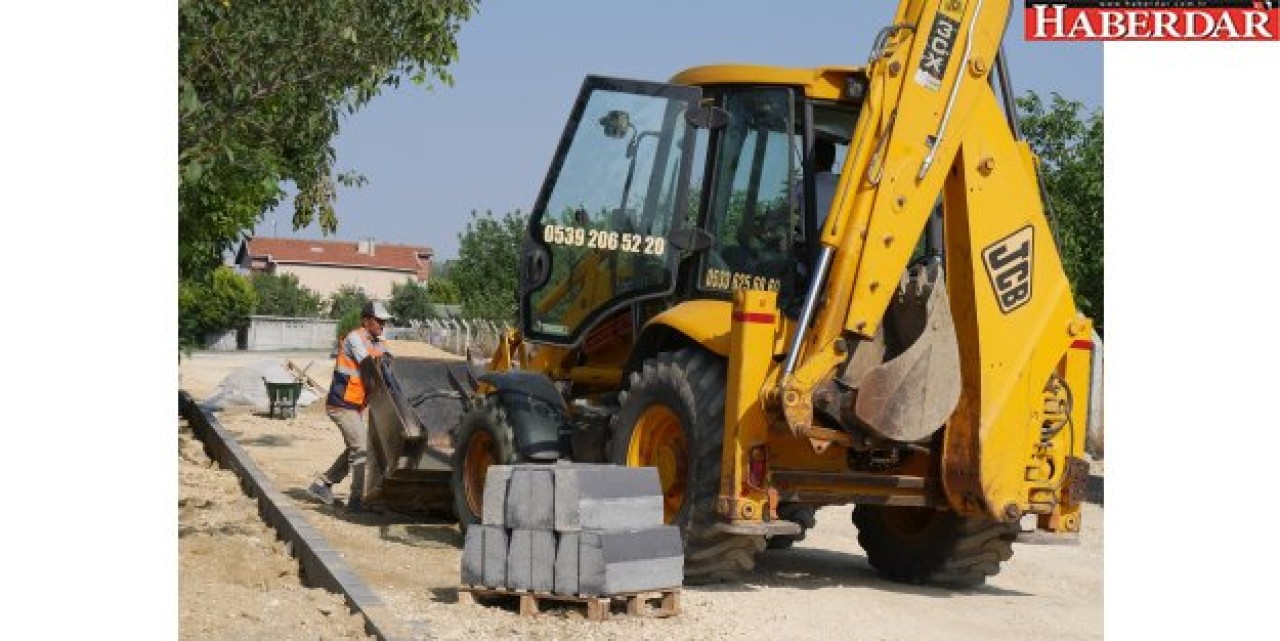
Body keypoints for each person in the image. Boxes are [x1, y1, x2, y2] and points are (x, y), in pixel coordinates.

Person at [308, 300, 393, 512]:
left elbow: (389, 363)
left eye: (384, 321)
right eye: (378, 321)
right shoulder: (355, 339)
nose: (382, 325)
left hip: (355, 406)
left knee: (356, 447)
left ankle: (323, 484)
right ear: (366, 321)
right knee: (361, 448)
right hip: (341, 404)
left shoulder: (378, 342)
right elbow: (369, 364)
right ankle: (357, 500)